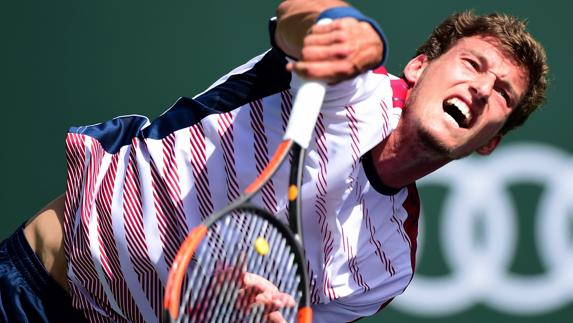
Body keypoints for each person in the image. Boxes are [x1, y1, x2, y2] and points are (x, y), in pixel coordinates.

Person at [0, 0, 548, 322]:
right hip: (32, 288)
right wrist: (348, 32)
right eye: (471, 64)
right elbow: (306, 19)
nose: (479, 88)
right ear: (417, 66)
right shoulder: (349, 88)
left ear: (490, 142)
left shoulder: (388, 266)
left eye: (501, 93)